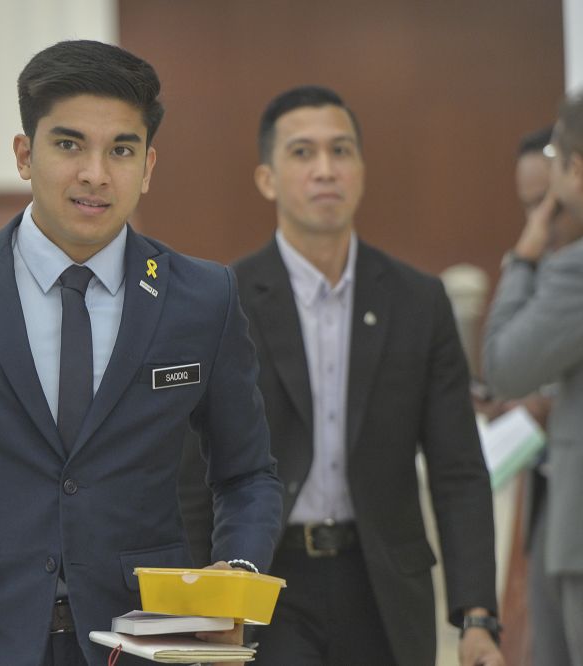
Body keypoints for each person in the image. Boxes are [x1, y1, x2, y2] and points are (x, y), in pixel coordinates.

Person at [0, 40, 283, 666]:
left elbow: (247, 474)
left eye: (120, 150)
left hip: (141, 641)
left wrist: (236, 578)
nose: (95, 173)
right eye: (69, 144)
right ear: (24, 154)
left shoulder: (200, 297)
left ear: (148, 166)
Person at [201, 85, 502, 666]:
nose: (325, 170)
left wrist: (477, 615)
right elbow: (194, 471)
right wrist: (201, 608)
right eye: (302, 153)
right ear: (266, 179)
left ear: (362, 170)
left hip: (384, 581)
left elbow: (458, 469)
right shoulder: (225, 299)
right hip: (268, 585)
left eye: (341, 152)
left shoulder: (419, 301)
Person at [476, 126, 583, 666]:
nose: (538, 221)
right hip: (552, 499)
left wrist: (523, 257)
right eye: (528, 207)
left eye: (546, 203)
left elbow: (504, 365)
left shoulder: (565, 267)